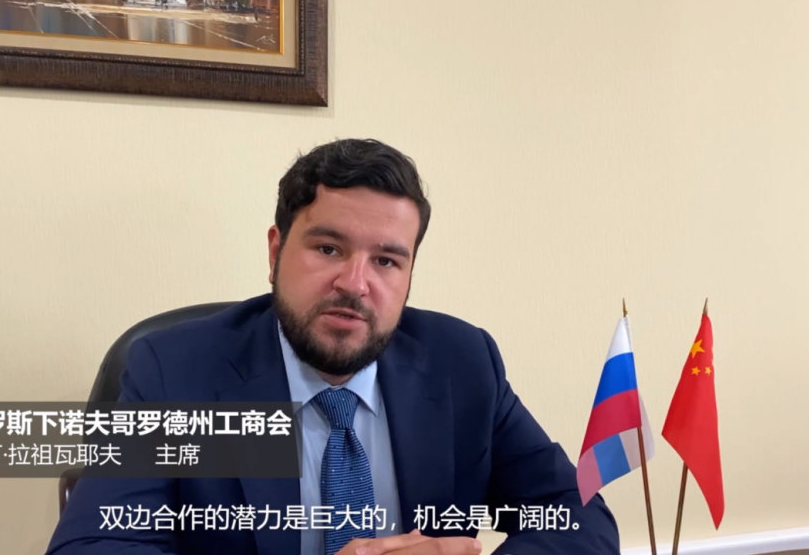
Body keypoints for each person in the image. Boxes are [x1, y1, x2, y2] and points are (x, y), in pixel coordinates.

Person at [46, 138, 619, 555]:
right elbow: (94, 545)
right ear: (276, 251)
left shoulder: (462, 364)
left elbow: (578, 515)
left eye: (386, 260)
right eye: (328, 249)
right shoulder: (176, 372)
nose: (355, 283)